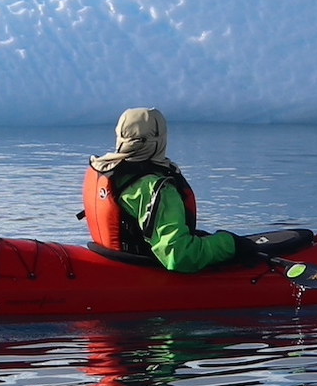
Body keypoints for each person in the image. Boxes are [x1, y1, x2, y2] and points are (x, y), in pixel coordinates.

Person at [82, 107, 243, 273]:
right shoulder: (155, 187)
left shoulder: (103, 170)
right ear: (159, 140)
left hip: (115, 264)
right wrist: (230, 244)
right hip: (145, 275)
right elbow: (179, 256)